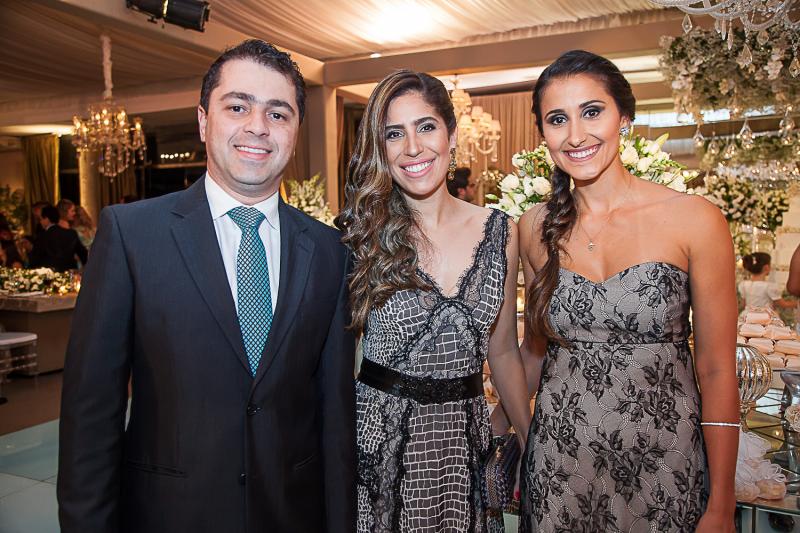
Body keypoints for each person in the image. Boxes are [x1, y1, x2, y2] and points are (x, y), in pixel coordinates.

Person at [58, 40, 356, 533]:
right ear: (203, 120)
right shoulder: (131, 235)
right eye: (237, 107)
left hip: (291, 514)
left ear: (295, 131)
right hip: (168, 515)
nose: (258, 126)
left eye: (278, 113)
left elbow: (335, 419)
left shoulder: (329, 250)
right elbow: (91, 416)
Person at [517, 50, 738, 533]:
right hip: (560, 464)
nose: (576, 135)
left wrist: (722, 503)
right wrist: (496, 431)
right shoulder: (533, 227)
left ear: (625, 118)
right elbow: (534, 353)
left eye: (592, 112)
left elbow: (718, 369)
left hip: (665, 462)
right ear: (543, 134)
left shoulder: (695, 219)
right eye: (558, 119)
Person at [337, 69, 530, 532]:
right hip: (381, 443)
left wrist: (531, 441)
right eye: (394, 134)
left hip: (462, 442)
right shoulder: (361, 236)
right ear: (381, 148)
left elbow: (503, 351)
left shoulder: (501, 232)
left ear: (451, 134)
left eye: (426, 127)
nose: (413, 147)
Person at [29, 205, 87, 272]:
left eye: (41, 219)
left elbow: (34, 259)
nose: (40, 222)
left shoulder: (42, 237)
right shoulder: (71, 233)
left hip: (50, 274)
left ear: (47, 219)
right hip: (69, 272)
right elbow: (83, 254)